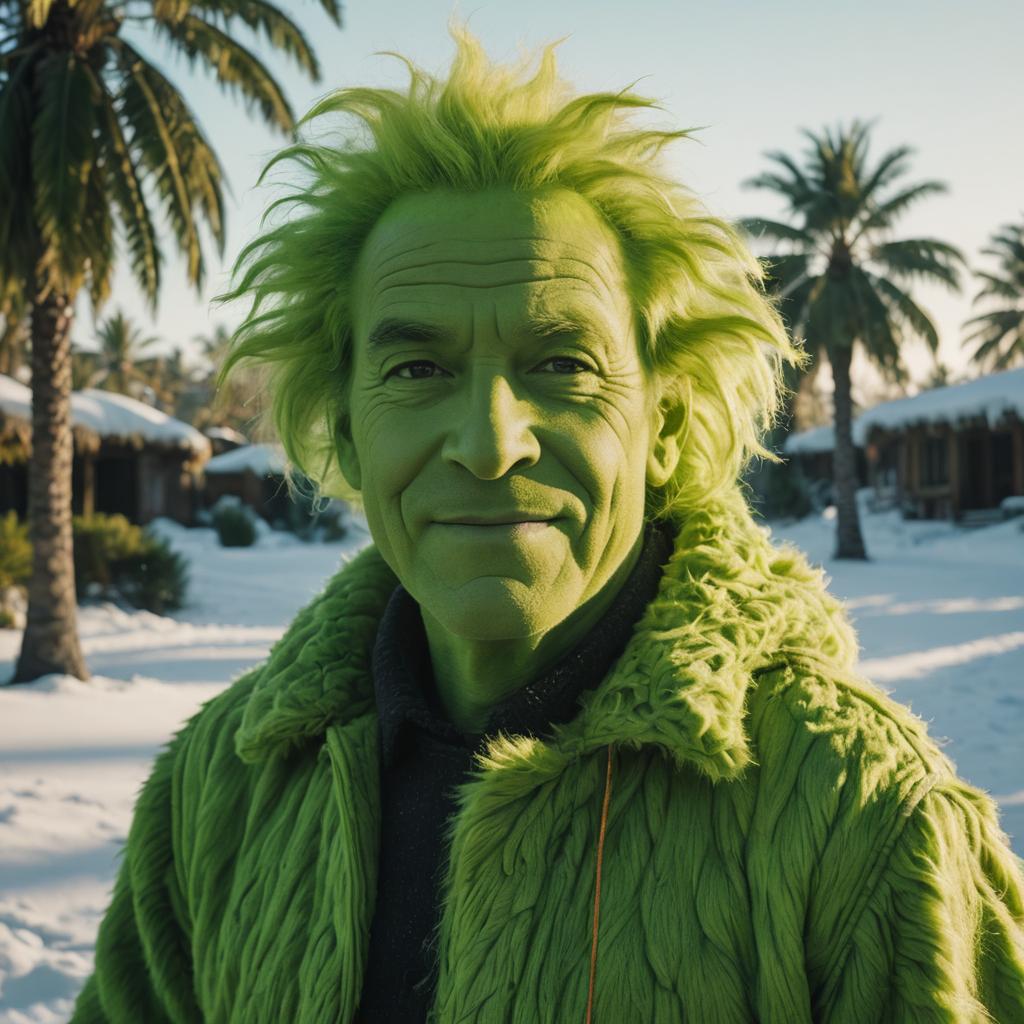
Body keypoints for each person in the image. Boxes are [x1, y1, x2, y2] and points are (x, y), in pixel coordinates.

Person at [71, 30, 1024, 1023]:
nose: (489, 445)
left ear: (663, 416)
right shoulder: (217, 791)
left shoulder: (861, 817)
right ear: (346, 431)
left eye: (562, 364)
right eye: (416, 368)